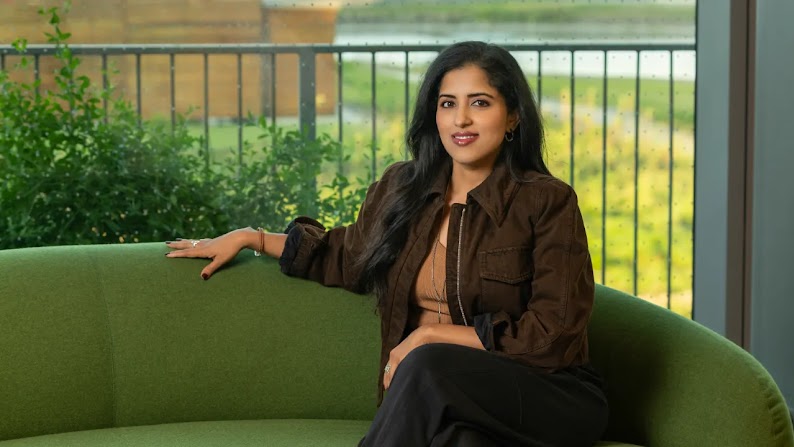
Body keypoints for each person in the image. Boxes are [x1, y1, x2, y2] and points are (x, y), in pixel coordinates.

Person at [166, 41, 608, 446]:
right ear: (433, 116)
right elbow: (345, 256)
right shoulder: (404, 188)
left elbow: (554, 335)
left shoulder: (546, 201)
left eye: (480, 103)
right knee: (459, 441)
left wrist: (432, 335)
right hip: (443, 402)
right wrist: (251, 237)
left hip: (547, 395)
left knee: (430, 362)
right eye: (447, 104)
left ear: (512, 116)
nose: (461, 120)